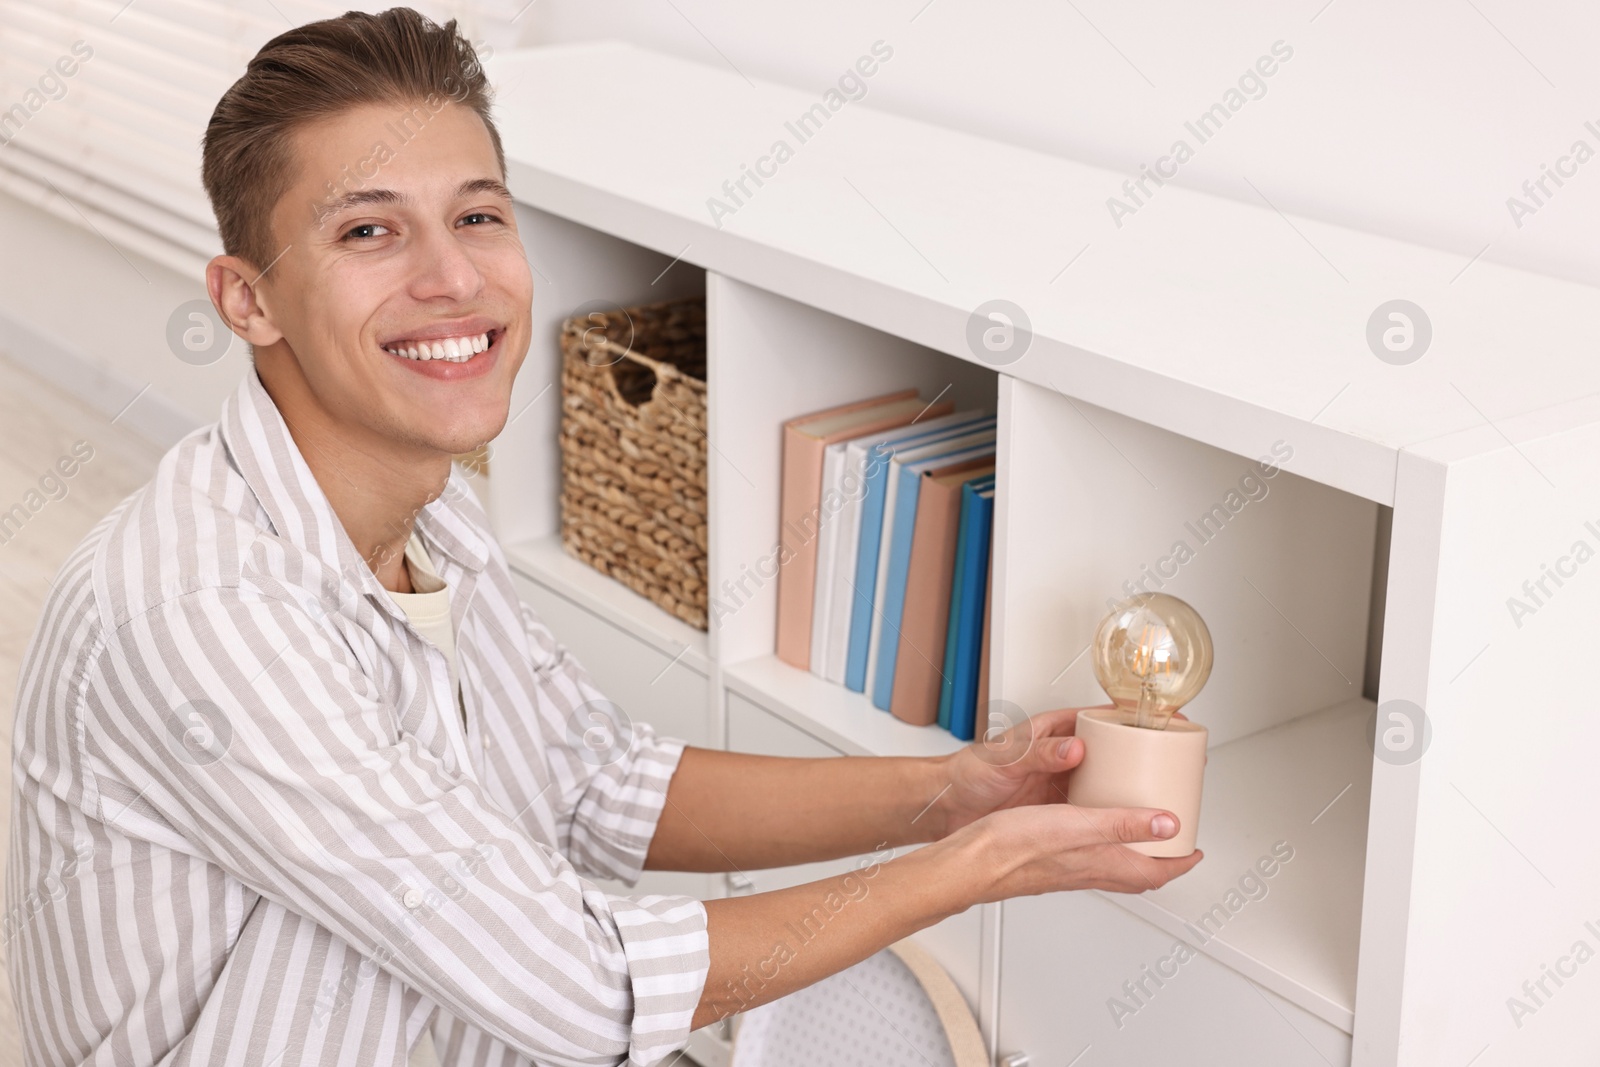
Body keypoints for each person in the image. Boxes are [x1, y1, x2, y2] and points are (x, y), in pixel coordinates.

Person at [5, 8, 1202, 1065]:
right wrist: (979, 871)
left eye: (477, 215)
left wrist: (954, 792)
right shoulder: (205, 613)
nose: (452, 278)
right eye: (369, 232)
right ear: (246, 298)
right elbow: (577, 985)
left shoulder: (435, 516)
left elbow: (595, 780)